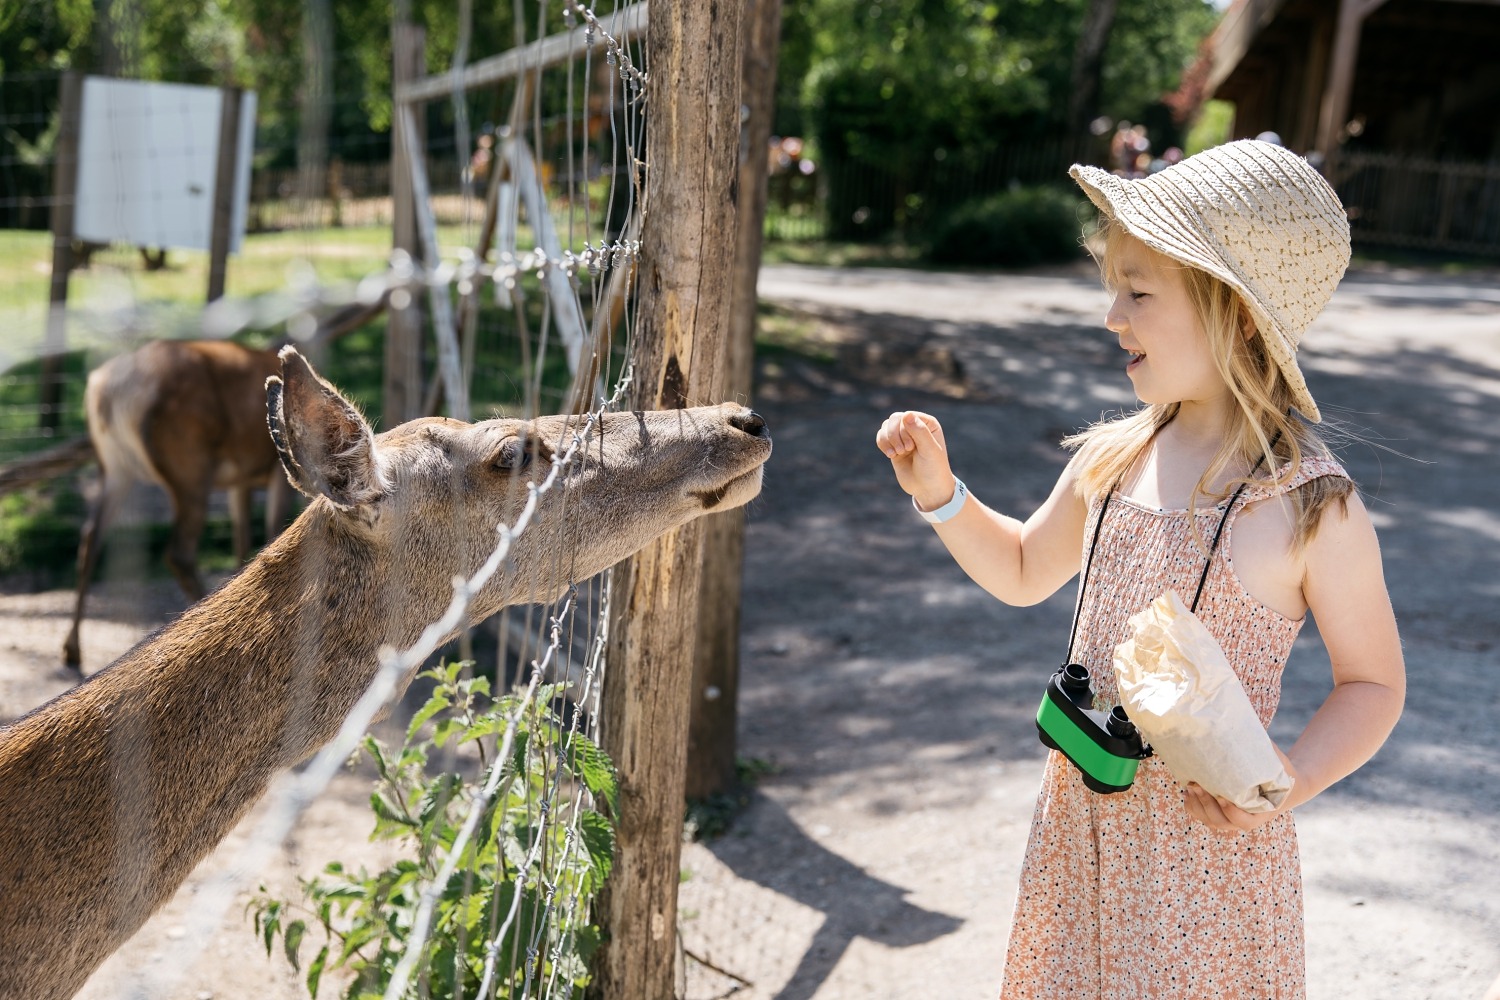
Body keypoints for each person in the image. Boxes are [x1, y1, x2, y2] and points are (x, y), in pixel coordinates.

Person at [874, 140, 1405, 1000]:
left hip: (1211, 867)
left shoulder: (1312, 507)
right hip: (1078, 841)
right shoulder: (1116, 459)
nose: (1111, 317)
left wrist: (1292, 778)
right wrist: (941, 495)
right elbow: (1017, 567)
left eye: (1139, 292)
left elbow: (1374, 683)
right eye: (1111, 288)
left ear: (1235, 312)